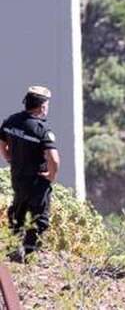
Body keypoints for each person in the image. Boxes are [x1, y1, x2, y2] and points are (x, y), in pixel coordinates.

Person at [0, 86, 60, 261]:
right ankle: (30, 253)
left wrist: (8, 157)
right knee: (39, 217)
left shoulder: (11, 121)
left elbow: (1, 141)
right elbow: (54, 159)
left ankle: (14, 247)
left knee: (18, 210)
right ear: (42, 107)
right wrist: (51, 175)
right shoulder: (42, 130)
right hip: (37, 181)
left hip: (18, 176)